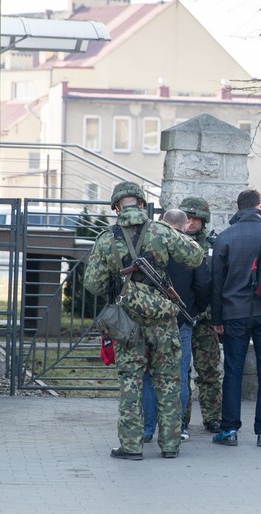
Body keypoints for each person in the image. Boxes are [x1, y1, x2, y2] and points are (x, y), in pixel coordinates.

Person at [83, 182, 202, 460]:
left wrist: (120, 283)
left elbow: (92, 284)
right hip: (162, 320)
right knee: (169, 380)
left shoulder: (106, 238)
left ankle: (131, 446)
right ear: (141, 203)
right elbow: (195, 256)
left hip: (127, 322)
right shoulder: (161, 231)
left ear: (115, 207)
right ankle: (171, 444)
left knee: (130, 382)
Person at [210, 189, 261, 447]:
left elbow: (216, 283)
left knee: (232, 371)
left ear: (238, 208)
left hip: (233, 313)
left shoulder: (225, 237)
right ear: (260, 205)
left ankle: (229, 431)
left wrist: (216, 318)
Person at [141, 209, 209, 444]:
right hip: (181, 321)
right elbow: (203, 285)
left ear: (162, 223)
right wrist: (194, 310)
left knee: (149, 376)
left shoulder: (148, 245)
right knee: (178, 377)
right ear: (185, 224)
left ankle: (147, 429)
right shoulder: (191, 248)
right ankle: (178, 427)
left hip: (150, 320)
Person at [178, 196, 223, 434]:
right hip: (181, 317)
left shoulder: (215, 245)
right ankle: (181, 418)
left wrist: (218, 317)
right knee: (181, 372)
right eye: (188, 217)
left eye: (196, 218)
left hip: (205, 320)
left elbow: (219, 283)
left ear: (204, 221)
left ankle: (213, 417)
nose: (192, 222)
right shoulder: (173, 242)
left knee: (209, 372)